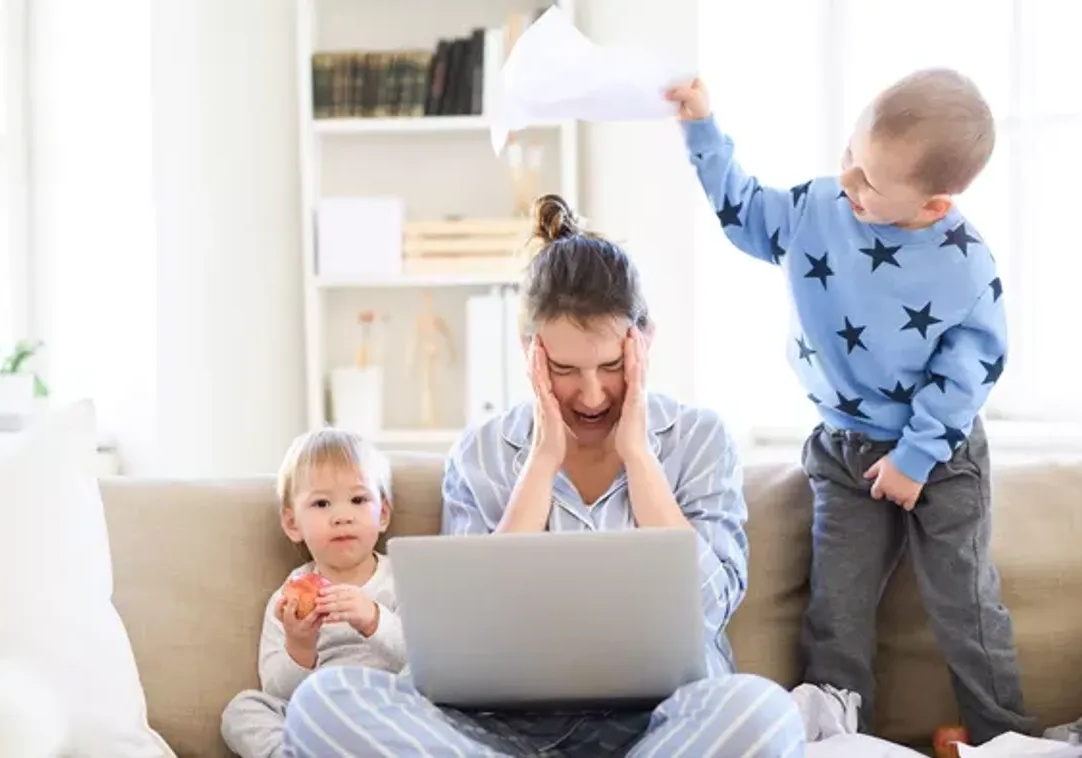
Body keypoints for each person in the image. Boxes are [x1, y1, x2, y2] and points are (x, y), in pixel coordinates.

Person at [280, 194, 807, 756]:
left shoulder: (700, 440)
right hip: (498, 734)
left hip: (661, 727)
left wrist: (638, 456)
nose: (592, 393)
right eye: (563, 370)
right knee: (324, 706)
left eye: (611, 365)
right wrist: (542, 460)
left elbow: (709, 607)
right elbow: (471, 636)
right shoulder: (481, 455)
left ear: (644, 341)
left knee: (764, 713)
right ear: (529, 350)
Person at [665, 70, 1036, 744]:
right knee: (835, 609)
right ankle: (832, 736)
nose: (847, 183)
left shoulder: (964, 265)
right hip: (844, 449)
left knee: (963, 605)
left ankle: (1002, 735)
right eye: (848, 158)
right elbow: (743, 211)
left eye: (869, 181)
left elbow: (970, 368)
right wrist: (700, 125)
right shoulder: (816, 209)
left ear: (933, 206)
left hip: (941, 454)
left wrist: (916, 457)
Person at [221, 428, 406, 758]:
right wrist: (299, 647)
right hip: (316, 714)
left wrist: (375, 620)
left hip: (386, 705)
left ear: (383, 514)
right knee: (243, 709)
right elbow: (278, 690)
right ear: (293, 524)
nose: (342, 516)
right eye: (321, 503)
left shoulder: (403, 579)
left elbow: (424, 664)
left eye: (359, 500)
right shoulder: (287, 600)